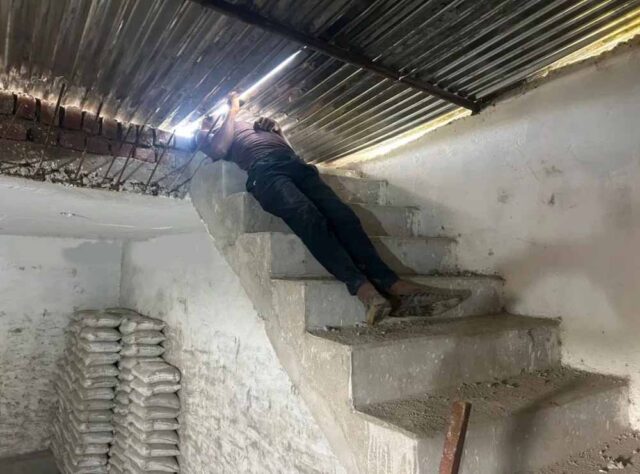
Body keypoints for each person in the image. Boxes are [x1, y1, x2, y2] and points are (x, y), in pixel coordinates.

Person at [197, 92, 470, 325]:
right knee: (308, 217)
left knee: (344, 217)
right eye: (206, 114)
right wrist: (232, 110)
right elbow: (218, 149)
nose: (210, 115)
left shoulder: (249, 125)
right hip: (264, 172)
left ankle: (394, 286)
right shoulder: (209, 134)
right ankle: (365, 291)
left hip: (295, 165)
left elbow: (291, 151)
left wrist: (278, 131)